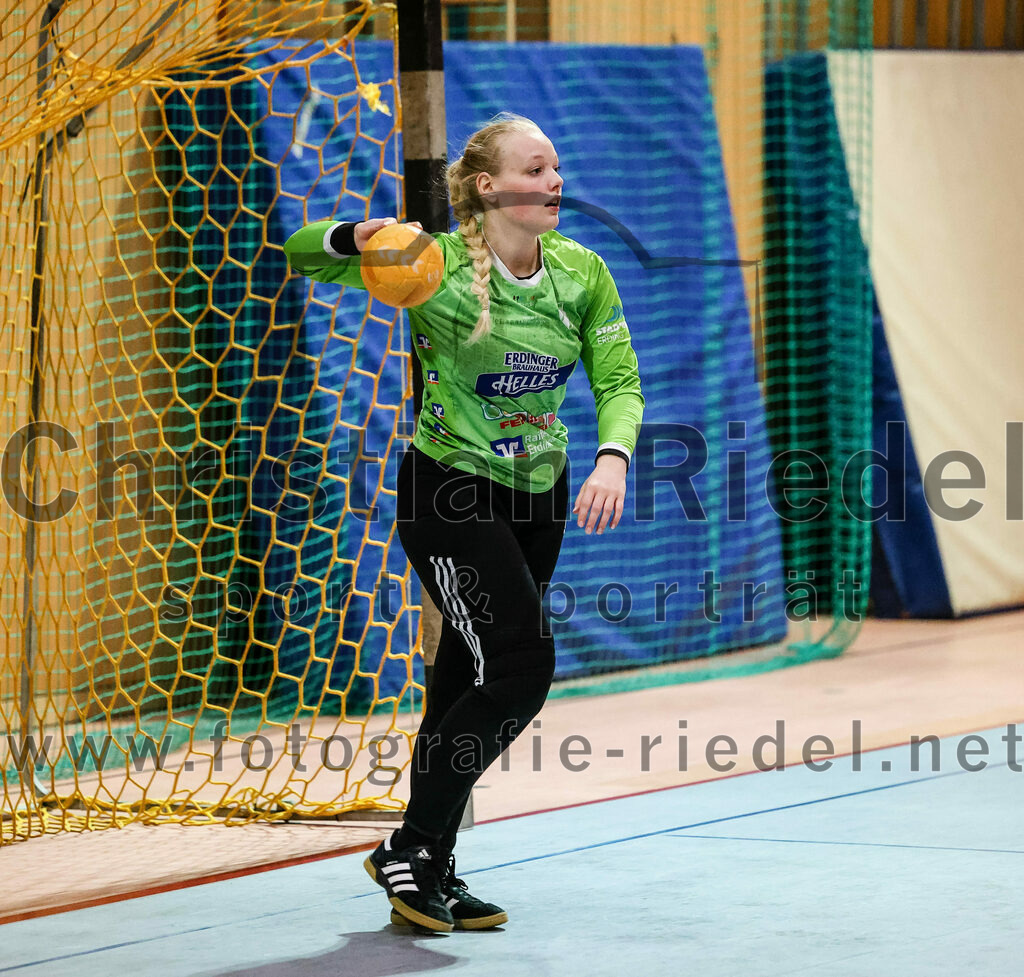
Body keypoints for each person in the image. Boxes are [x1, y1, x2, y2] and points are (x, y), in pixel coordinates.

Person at [284, 112, 644, 932]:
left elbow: (620, 379)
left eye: (558, 169)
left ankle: (428, 862)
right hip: (450, 492)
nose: (555, 182)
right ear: (488, 187)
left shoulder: (582, 273)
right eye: (537, 168)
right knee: (520, 667)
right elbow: (302, 253)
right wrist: (357, 234)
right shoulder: (432, 264)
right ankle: (410, 845)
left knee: (464, 680)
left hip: (538, 494)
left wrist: (613, 455)